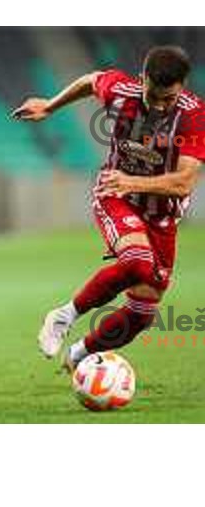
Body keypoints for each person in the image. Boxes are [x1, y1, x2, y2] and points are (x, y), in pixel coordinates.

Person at [13, 46, 205, 370]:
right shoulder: (120, 92)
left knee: (142, 313)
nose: (159, 106)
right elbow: (90, 81)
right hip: (115, 196)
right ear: (142, 79)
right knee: (138, 264)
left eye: (168, 99)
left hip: (161, 215)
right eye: (153, 96)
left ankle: (80, 354)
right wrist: (50, 106)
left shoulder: (194, 115)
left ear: (182, 87)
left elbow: (185, 182)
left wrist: (136, 183)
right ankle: (63, 316)